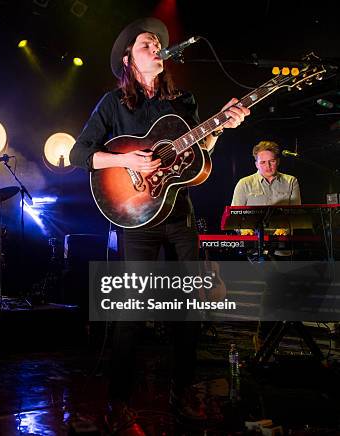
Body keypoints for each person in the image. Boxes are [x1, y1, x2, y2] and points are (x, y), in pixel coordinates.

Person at [68, 17, 250, 426]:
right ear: (129, 60)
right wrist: (124, 159)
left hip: (179, 212)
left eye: (158, 43)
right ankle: (119, 400)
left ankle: (182, 392)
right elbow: (79, 154)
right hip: (136, 218)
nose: (157, 47)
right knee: (131, 312)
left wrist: (220, 126)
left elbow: (199, 155)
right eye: (147, 44)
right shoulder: (113, 104)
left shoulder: (182, 101)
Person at [231, 141, 302, 351]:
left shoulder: (291, 181)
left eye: (271, 162)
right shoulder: (244, 184)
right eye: (263, 162)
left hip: (282, 246)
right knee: (276, 281)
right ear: (256, 163)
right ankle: (264, 336)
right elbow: (236, 219)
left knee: (277, 284)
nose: (268, 166)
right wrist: (248, 234)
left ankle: (266, 337)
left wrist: (285, 229)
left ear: (277, 161)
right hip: (256, 247)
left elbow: (296, 216)